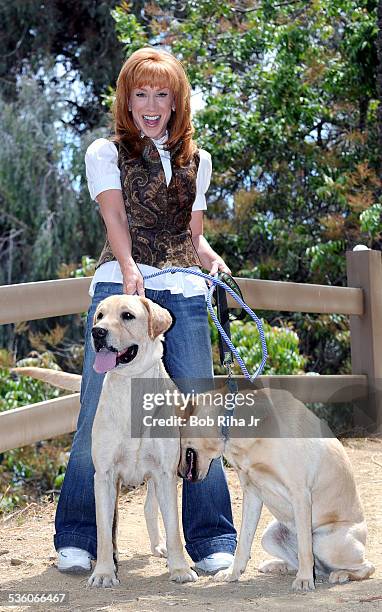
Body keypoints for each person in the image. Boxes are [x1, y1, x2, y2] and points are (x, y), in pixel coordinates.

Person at [55, 47, 237, 574]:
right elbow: (115, 221)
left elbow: (193, 234)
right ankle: (80, 537)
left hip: (182, 290)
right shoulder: (104, 153)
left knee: (197, 412)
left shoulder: (196, 161)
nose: (151, 104)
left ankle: (209, 539)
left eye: (162, 93)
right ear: (127, 100)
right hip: (123, 290)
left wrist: (210, 256)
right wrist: (131, 269)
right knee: (97, 412)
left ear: (177, 102)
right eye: (141, 93)